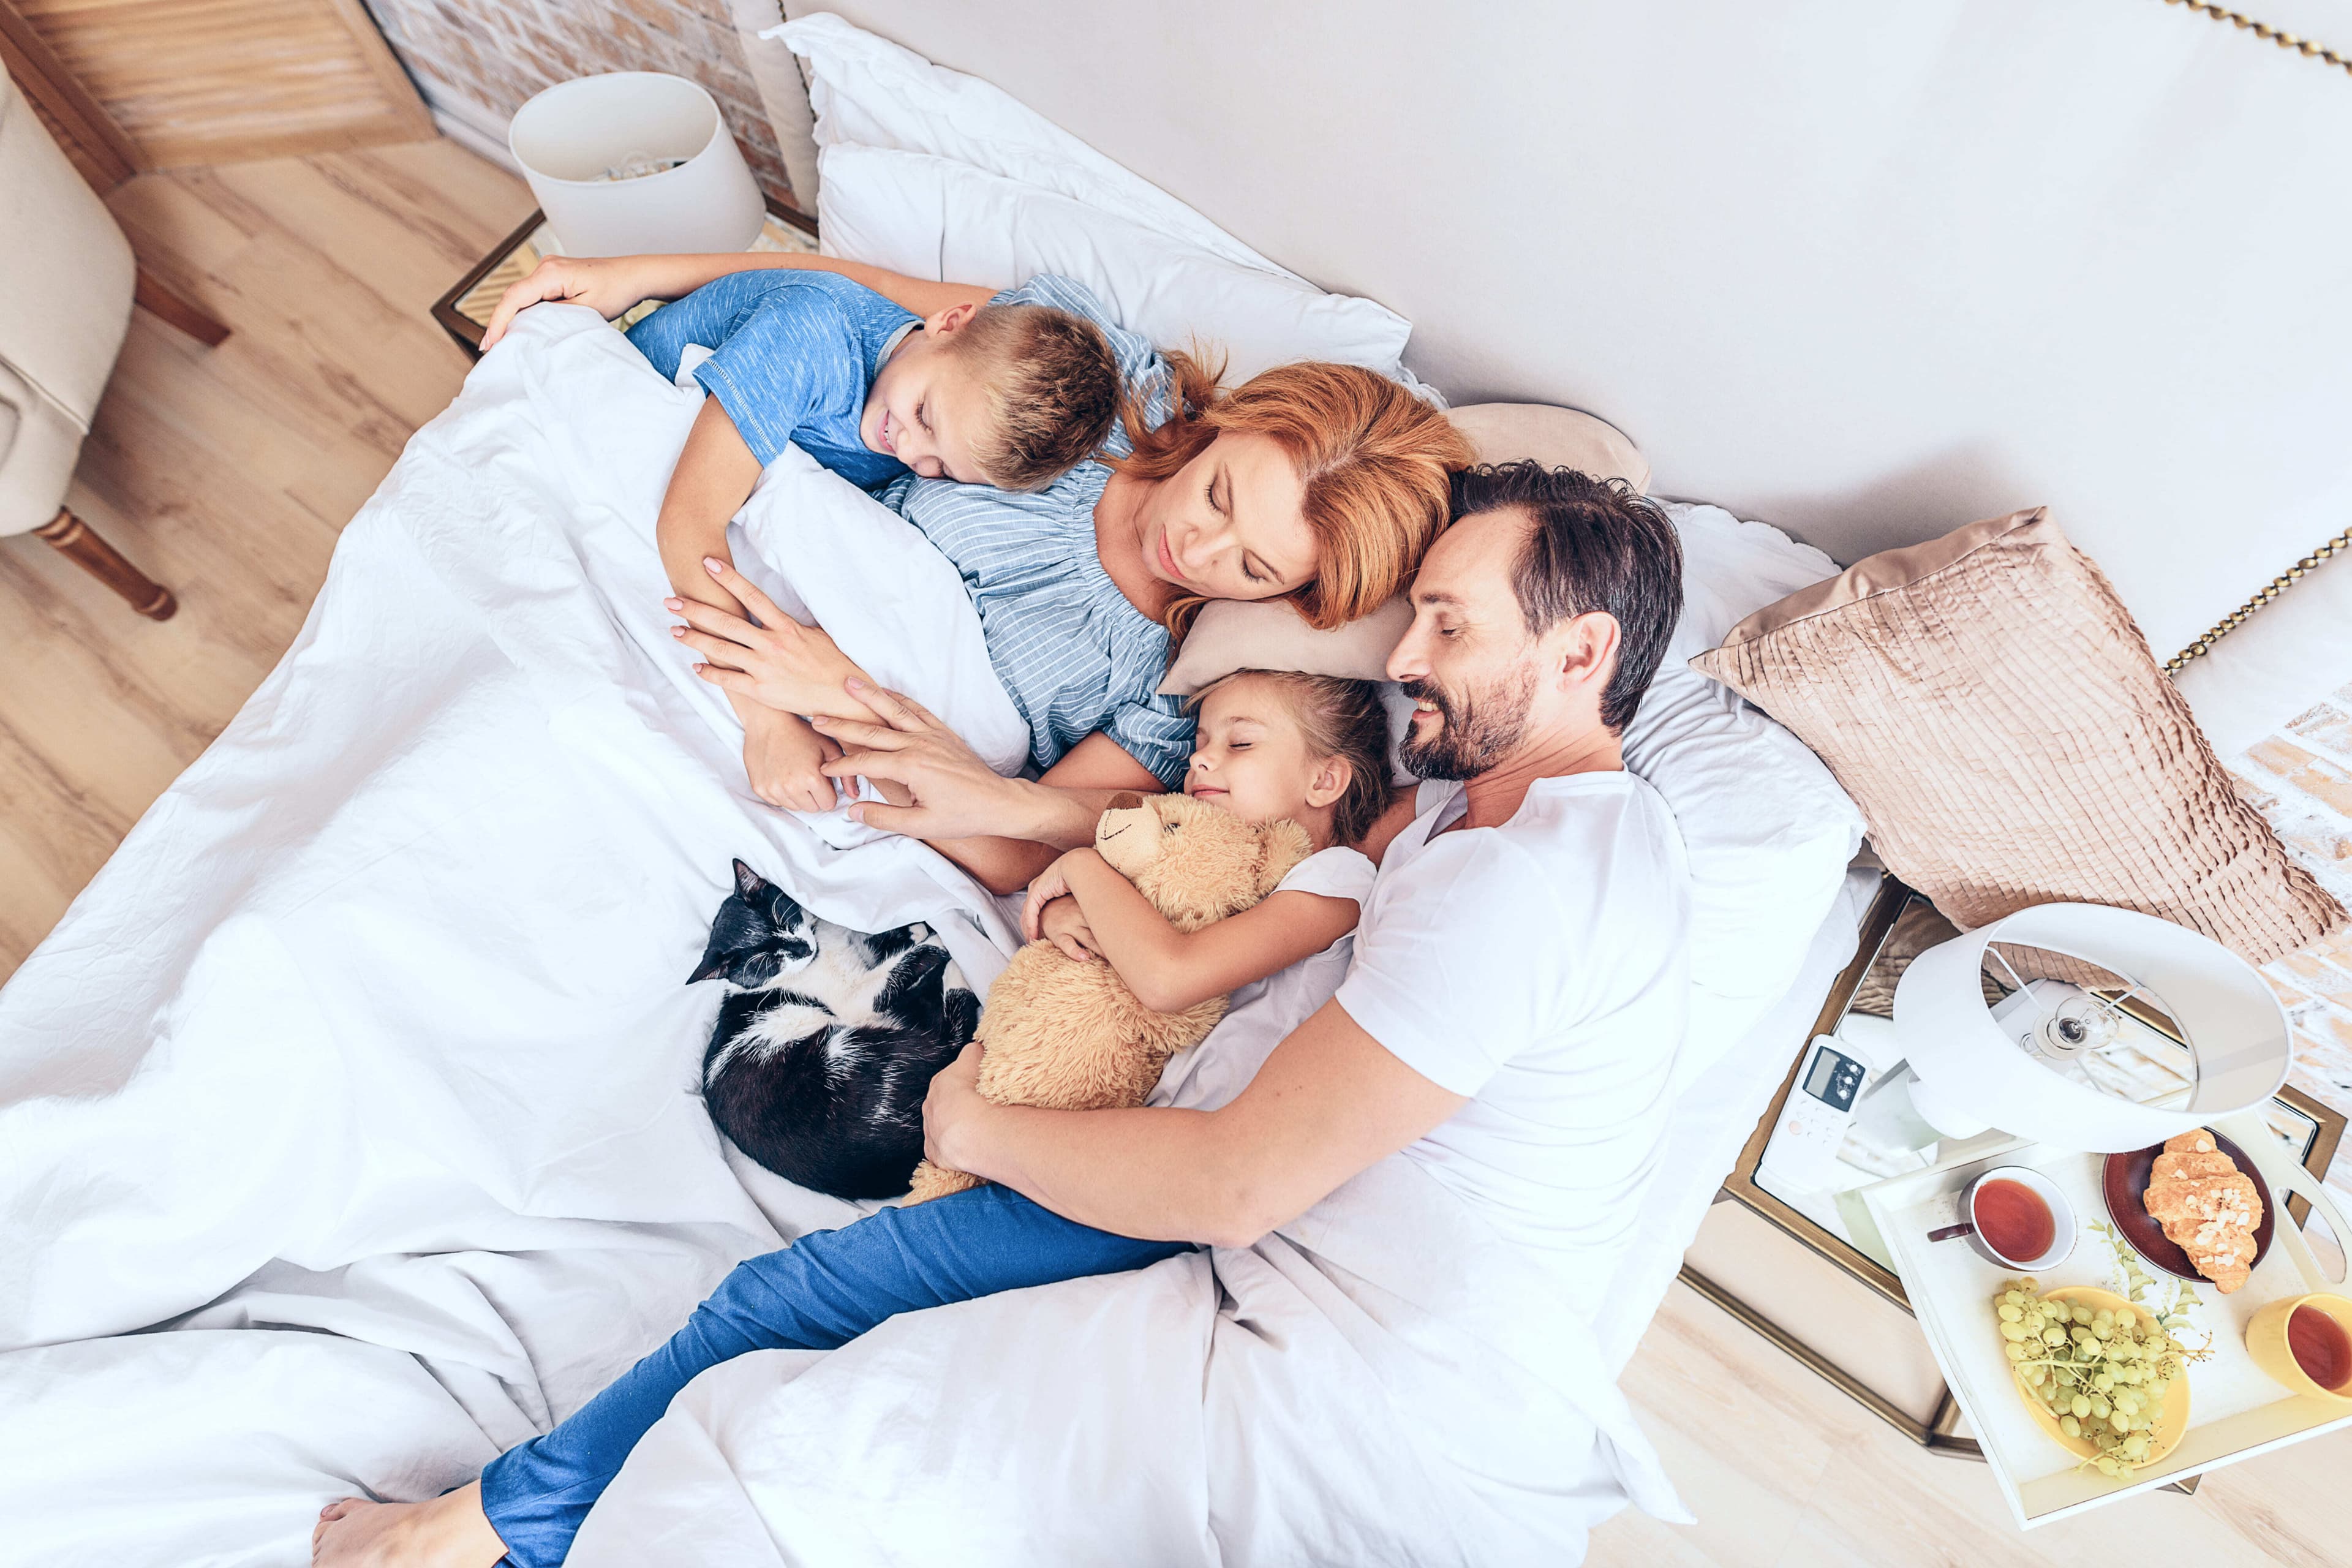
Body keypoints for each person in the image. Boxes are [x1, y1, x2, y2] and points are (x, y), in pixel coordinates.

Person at [310, 462, 1688, 1568]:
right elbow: (1240, 831)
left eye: (1451, 623)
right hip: (1279, 1225)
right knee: (802, 1310)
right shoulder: (1469, 800)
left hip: (1353, 1333)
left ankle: (456, 1537)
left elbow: (1233, 1181)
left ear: (1583, 651)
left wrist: (978, 1115)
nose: (1406, 655)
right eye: (1417, 613)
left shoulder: (1528, 884)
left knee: (799, 1323)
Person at [484, 252, 1472, 886]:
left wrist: (834, 697)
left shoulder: (1175, 682)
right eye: (1217, 495)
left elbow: (1003, 847)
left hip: (807, 744)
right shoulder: (1097, 378)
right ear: (1230, 423)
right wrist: (633, 278)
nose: (1198, 552)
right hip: (709, 575)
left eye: (1252, 567)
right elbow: (843, 304)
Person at [625, 268, 1123, 811]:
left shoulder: (920, 412)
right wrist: (767, 724)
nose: (909, 451)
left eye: (940, 468)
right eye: (923, 416)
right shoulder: (809, 335)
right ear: (950, 323)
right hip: (639, 407)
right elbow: (687, 521)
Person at [1020, 670, 1394, 1003]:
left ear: (1324, 781)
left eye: (1241, 743)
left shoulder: (1335, 880)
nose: (1198, 761)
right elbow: (1121, 908)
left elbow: (1169, 978)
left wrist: (1079, 867)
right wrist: (1060, 910)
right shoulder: (1182, 845)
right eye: (1200, 745)